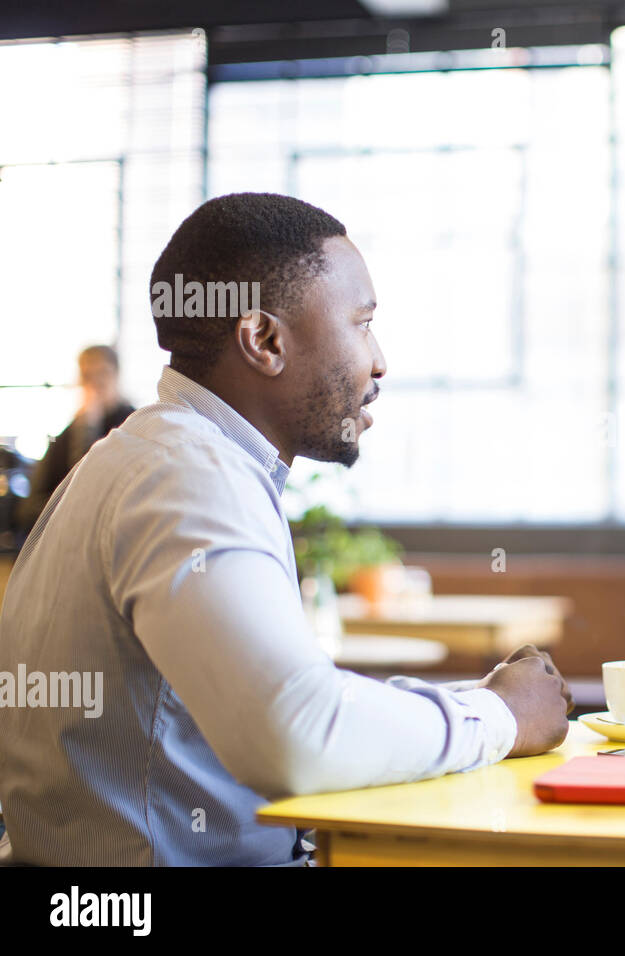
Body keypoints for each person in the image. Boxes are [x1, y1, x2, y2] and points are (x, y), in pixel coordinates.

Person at [0, 193, 572, 866]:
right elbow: (298, 732)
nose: (379, 361)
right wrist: (500, 718)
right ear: (264, 341)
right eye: (362, 325)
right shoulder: (187, 476)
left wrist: (475, 702)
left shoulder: (166, 454)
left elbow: (288, 700)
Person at [15, 345, 134, 534]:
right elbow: (30, 507)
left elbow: (97, 491)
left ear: (117, 376)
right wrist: (86, 428)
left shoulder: (133, 425)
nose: (96, 383)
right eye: (87, 376)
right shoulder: (69, 433)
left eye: (103, 373)